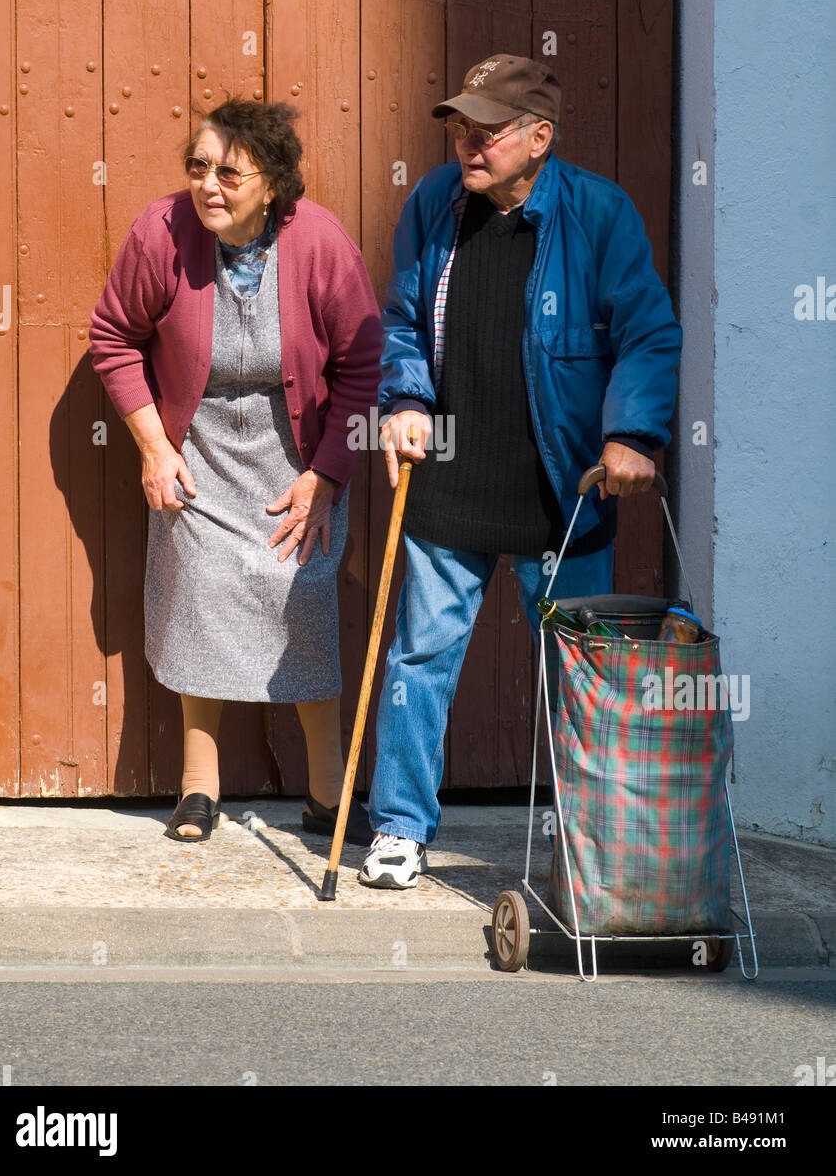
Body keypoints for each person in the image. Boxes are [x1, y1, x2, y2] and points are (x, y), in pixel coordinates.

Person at [358, 54, 682, 888]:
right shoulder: (436, 202)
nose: (468, 142)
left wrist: (635, 437)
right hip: (455, 473)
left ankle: (592, 843)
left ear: (539, 138)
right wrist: (402, 398)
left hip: (563, 481)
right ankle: (398, 827)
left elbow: (645, 331)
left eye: (488, 129)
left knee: (580, 673)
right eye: (462, 126)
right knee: (420, 658)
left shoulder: (599, 213)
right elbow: (399, 317)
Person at [89, 99, 381, 845]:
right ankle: (198, 787)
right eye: (198, 168)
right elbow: (114, 337)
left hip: (299, 458)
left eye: (229, 172)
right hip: (202, 448)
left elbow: (361, 366)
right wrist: (155, 446)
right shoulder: (162, 232)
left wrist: (328, 476)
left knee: (304, 603)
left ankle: (328, 794)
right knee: (202, 597)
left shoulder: (319, 242)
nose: (208, 186)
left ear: (273, 184)